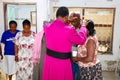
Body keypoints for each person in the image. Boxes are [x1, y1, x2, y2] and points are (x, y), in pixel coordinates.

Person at [42, 6, 88, 80]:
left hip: (49, 61)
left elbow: (57, 24)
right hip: (62, 63)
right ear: (66, 17)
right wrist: (83, 27)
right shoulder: (69, 30)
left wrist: (67, 20)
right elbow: (81, 40)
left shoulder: (47, 27)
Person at [69, 13, 81, 80]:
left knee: (76, 76)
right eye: (73, 19)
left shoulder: (81, 31)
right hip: (69, 57)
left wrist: (74, 56)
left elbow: (75, 46)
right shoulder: (70, 29)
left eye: (76, 19)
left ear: (80, 20)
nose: (74, 22)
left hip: (77, 59)